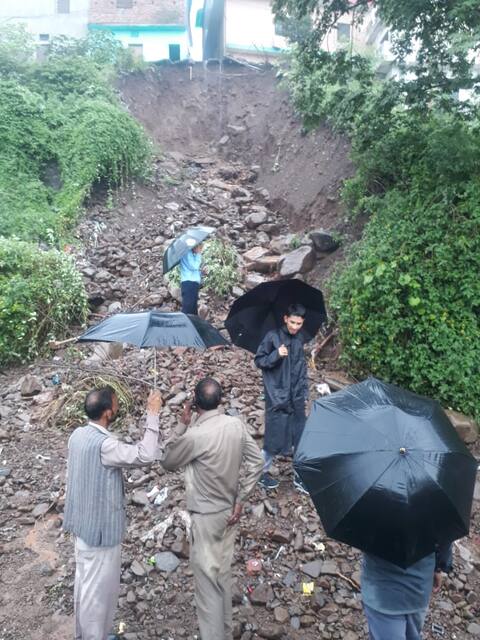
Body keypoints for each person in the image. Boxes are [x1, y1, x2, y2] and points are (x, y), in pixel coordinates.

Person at [160, 377, 263, 640]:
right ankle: (225, 633)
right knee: (222, 576)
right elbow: (256, 462)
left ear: (195, 403)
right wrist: (241, 499)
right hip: (230, 512)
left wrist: (182, 425)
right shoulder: (235, 425)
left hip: (206, 517)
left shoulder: (194, 436)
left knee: (207, 589)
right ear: (221, 400)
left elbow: (167, 461)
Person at [63, 386, 162, 640]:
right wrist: (153, 414)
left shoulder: (77, 435)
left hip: (81, 526)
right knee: (97, 594)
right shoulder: (105, 446)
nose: (118, 405)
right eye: (115, 403)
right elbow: (145, 455)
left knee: (84, 586)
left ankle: (83, 634)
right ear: (108, 412)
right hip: (100, 534)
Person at [254, 303, 309, 493]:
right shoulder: (273, 337)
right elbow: (259, 360)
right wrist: (276, 355)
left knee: (300, 437)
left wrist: (304, 392)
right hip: (277, 397)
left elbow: (302, 368)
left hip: (296, 397)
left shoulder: (299, 338)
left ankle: (300, 477)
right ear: (285, 319)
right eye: (292, 322)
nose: (295, 327)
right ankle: (260, 473)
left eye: (299, 323)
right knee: (273, 438)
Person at [361, 544, 453, 640]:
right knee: (413, 634)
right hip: (418, 588)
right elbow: (445, 540)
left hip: (381, 593)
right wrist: (439, 567)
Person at [180, 242, 203, 315]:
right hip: (189, 282)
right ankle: (184, 322)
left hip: (192, 283)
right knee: (188, 308)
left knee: (193, 309)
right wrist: (198, 254)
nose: (200, 249)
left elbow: (193, 269)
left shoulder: (190, 253)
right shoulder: (187, 252)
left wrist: (201, 272)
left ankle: (192, 322)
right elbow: (194, 266)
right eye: (199, 247)